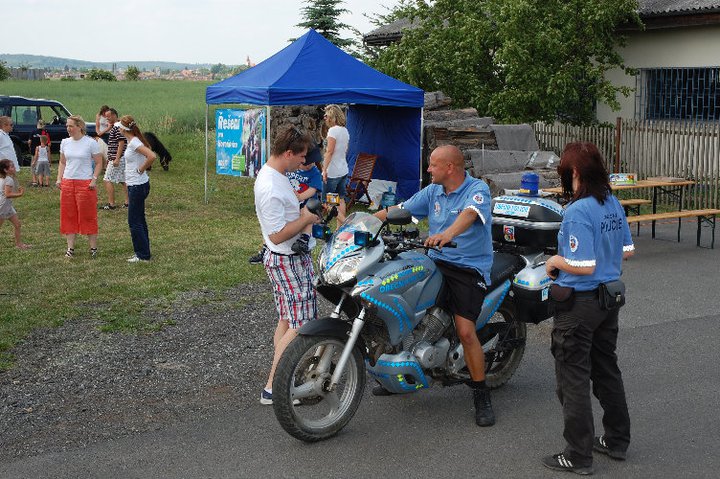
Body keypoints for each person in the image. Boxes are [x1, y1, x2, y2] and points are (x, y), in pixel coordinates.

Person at [373, 144, 496, 427]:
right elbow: (400, 209)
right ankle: (400, 371)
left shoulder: (477, 189)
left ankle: (481, 393)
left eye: (432, 165)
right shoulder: (433, 192)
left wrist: (446, 234)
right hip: (436, 261)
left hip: (468, 268)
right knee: (403, 305)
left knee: (466, 331)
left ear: (449, 167)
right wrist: (365, 222)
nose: (428, 170)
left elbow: (469, 215)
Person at [542, 142, 634, 475]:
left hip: (579, 304)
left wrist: (555, 261)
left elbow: (582, 263)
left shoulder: (577, 211)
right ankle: (616, 440)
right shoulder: (612, 203)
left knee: (573, 379)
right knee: (606, 369)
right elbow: (627, 251)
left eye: (565, 171)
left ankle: (578, 454)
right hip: (609, 301)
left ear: (575, 172)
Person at [253, 125, 319, 405]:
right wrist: (306, 220)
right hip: (287, 260)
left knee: (287, 319)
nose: (303, 163)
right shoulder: (269, 186)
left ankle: (283, 379)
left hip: (289, 258)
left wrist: (304, 212)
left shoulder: (277, 174)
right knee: (301, 323)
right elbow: (277, 234)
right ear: (288, 153)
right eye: (300, 157)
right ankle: (274, 388)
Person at [248, 141, 323, 264]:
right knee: (272, 228)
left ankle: (304, 240)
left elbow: (313, 189)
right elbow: (276, 233)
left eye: (309, 161)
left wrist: (300, 197)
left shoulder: (314, 172)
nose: (305, 163)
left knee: (307, 218)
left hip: (306, 201)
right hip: (283, 250)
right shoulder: (288, 171)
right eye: (303, 159)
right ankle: (265, 248)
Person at [56, 115, 103, 258]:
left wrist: (94, 180)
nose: (68, 129)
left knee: (88, 215)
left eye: (71, 126)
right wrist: (59, 178)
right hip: (68, 182)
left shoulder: (90, 143)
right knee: (68, 215)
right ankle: (70, 248)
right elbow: (62, 162)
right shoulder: (65, 142)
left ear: (79, 127)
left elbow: (99, 162)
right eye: (67, 126)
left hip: (85, 184)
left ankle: (93, 248)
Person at [116, 115, 157, 263]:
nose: (118, 128)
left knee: (134, 221)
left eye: (119, 126)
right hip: (138, 185)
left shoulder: (133, 142)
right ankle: (144, 251)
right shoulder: (133, 141)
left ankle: (142, 255)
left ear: (123, 129)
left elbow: (151, 156)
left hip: (137, 186)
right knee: (139, 219)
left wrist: (140, 170)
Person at [0, 159, 31, 250]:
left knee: (17, 225)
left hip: (8, 207)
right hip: (3, 207)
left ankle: (19, 244)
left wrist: (13, 174)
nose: (14, 168)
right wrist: (20, 194)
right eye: (12, 166)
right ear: (6, 170)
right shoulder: (8, 179)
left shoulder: (4, 177)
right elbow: (7, 194)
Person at [321, 104, 349, 203]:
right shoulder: (345, 130)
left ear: (331, 117)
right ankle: (342, 219)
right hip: (343, 169)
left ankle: (336, 217)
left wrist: (324, 170)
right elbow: (345, 150)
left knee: (328, 200)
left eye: (326, 116)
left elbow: (329, 152)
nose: (325, 118)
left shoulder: (333, 131)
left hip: (332, 171)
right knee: (340, 198)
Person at [101, 108, 128, 210]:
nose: (106, 118)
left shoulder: (117, 127)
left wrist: (116, 158)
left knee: (107, 179)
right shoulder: (117, 126)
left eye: (108, 116)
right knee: (123, 180)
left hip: (118, 159)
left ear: (114, 116)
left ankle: (111, 204)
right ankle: (128, 202)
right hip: (117, 158)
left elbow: (121, 143)